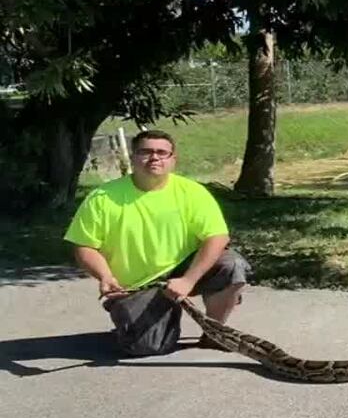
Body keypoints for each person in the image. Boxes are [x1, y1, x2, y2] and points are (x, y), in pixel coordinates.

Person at [64, 129, 252, 352]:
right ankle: (137, 312)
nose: (154, 157)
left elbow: (217, 237)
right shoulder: (102, 198)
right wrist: (105, 276)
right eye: (146, 152)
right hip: (138, 285)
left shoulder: (193, 192)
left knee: (232, 265)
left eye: (162, 153)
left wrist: (188, 281)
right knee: (147, 347)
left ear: (173, 159)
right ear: (132, 157)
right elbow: (84, 245)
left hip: (184, 270)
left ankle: (215, 333)